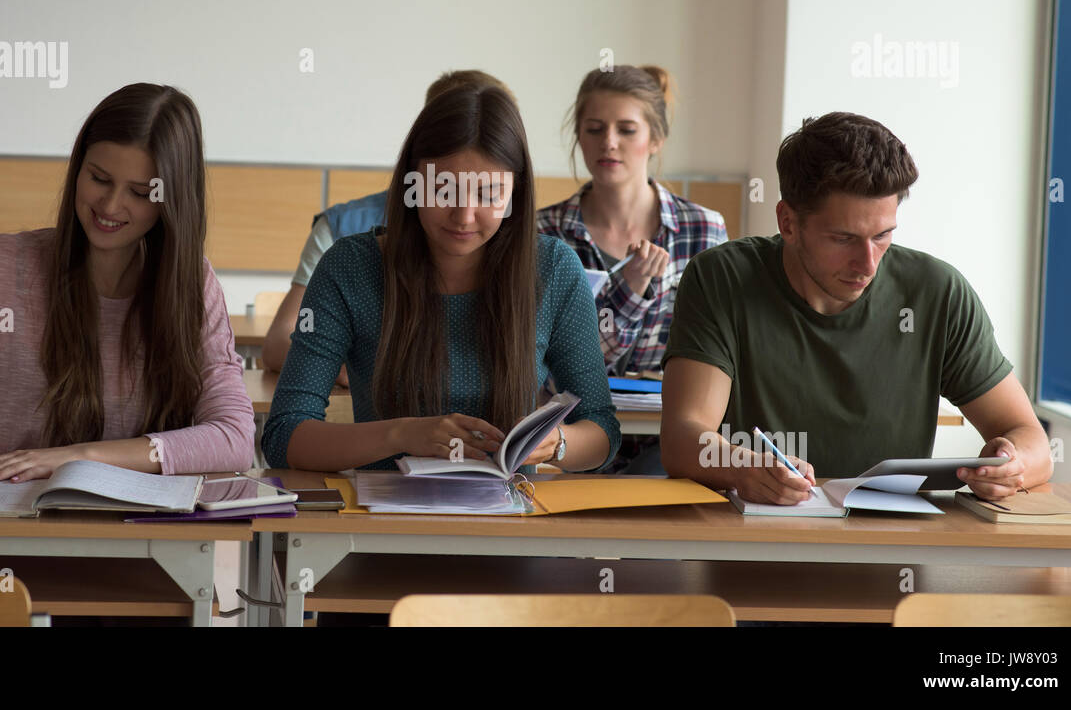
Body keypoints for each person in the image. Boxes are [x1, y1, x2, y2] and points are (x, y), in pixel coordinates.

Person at [0, 83, 254, 488]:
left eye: (139, 192)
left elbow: (234, 438)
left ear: (171, 201)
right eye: (99, 178)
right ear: (77, 168)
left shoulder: (191, 286)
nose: (111, 206)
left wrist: (76, 458)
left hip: (134, 543)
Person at [659, 112, 1050, 502]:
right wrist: (740, 465)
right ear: (788, 223)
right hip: (752, 547)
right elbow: (682, 438)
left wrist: (1013, 465)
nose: (868, 263)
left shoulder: (938, 292)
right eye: (843, 239)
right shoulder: (722, 278)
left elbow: (1032, 441)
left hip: (895, 554)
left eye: (882, 236)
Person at [261, 80, 619, 473]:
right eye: (443, 190)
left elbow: (602, 430)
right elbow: (283, 435)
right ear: (412, 183)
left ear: (515, 191)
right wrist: (402, 435)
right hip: (381, 519)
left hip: (509, 517)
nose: (464, 216)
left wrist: (558, 444)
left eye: (488, 194)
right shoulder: (350, 267)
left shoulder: (552, 269)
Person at [260, 69, 512, 379]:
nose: (465, 214)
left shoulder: (509, 232)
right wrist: (364, 375)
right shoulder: (342, 229)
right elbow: (279, 342)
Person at [537, 64, 728, 472]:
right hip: (567, 444)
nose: (608, 142)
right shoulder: (544, 233)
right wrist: (629, 290)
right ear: (579, 137)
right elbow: (554, 368)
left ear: (655, 138)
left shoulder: (703, 229)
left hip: (670, 443)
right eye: (594, 129)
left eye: (626, 130)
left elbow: (718, 352)